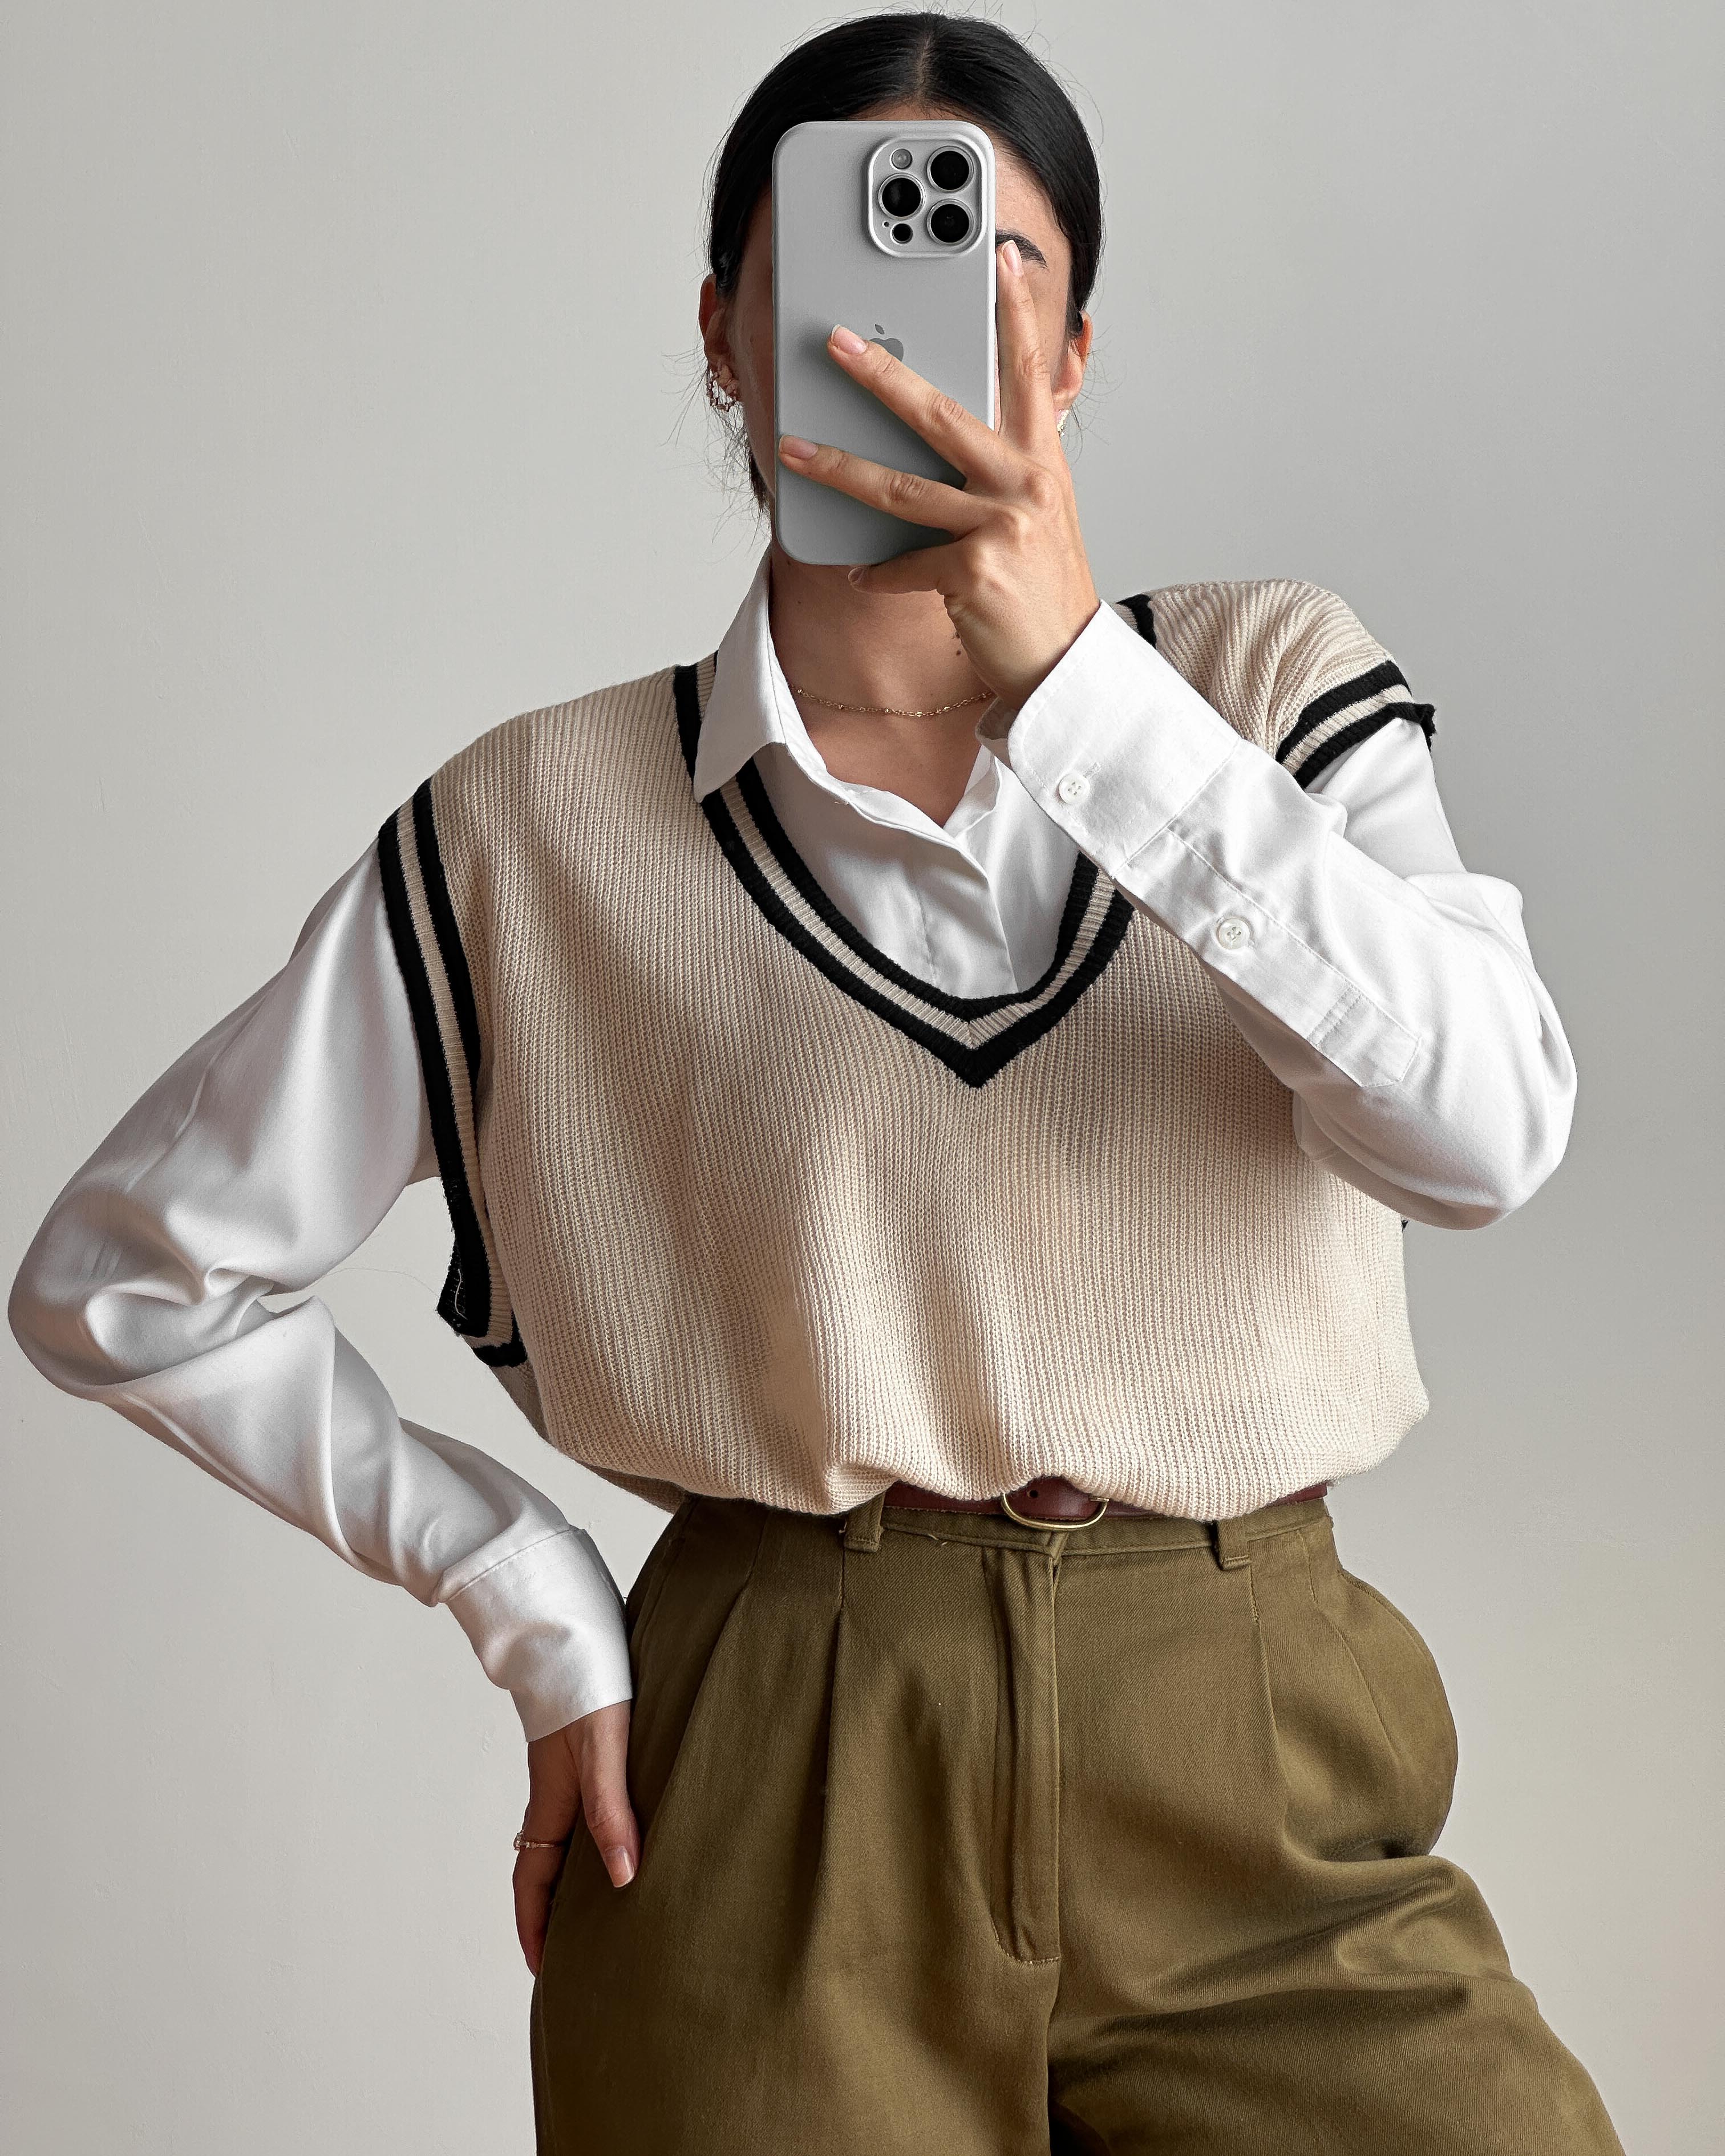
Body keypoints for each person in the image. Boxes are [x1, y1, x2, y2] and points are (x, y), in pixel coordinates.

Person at [9, 13, 1625, 2154]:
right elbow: (125, 1276)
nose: (909, 329)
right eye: (839, 266)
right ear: (724, 333)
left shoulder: (1265, 689)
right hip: (774, 1761)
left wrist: (1084, 695)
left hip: (1260, 1732)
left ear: (1070, 358)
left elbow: (1486, 1135)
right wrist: (524, 1586)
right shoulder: (527, 831)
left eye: (993, 266)